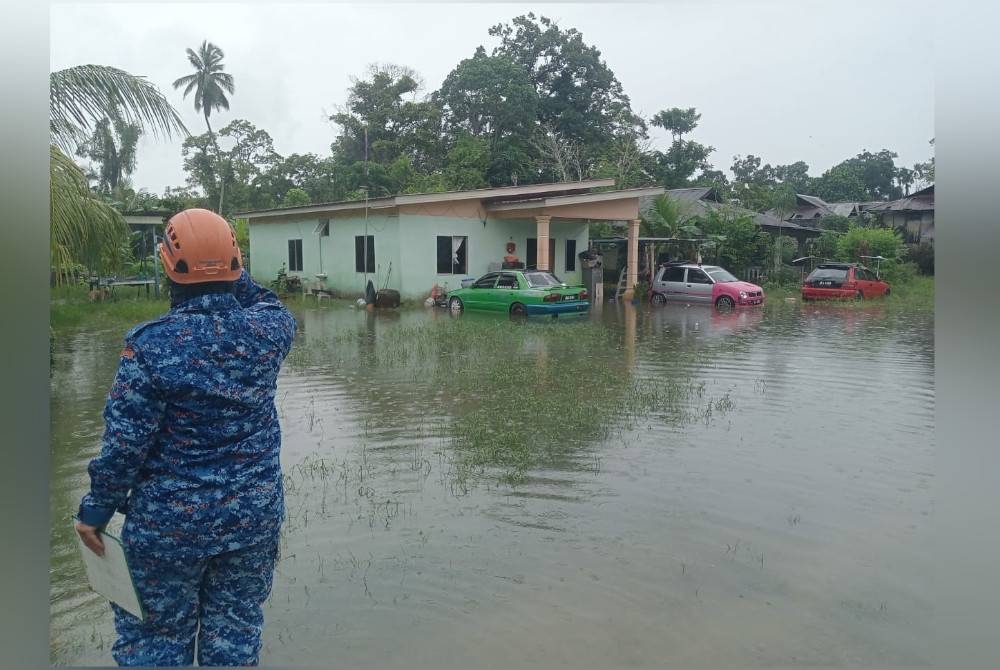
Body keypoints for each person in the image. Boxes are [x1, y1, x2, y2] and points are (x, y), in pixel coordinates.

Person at [75, 208, 297, 666]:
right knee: (234, 641)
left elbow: (125, 445)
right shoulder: (271, 330)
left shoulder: (150, 346)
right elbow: (263, 297)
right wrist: (227, 265)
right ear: (238, 264)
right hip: (250, 521)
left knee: (155, 645)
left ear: (166, 265)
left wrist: (96, 510)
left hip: (166, 531)